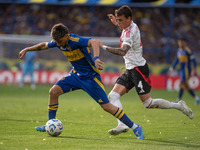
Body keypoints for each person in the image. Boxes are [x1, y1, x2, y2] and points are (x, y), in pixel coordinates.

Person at [19, 23, 144, 140]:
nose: (59, 45)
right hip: (75, 75)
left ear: (66, 36)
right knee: (53, 92)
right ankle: (49, 124)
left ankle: (135, 127)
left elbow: (94, 42)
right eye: (57, 42)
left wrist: (95, 58)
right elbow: (44, 45)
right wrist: (28, 49)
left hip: (90, 78)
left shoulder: (75, 40)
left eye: (61, 41)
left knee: (106, 106)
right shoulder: (58, 42)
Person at [99, 5, 193, 136]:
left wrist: (102, 46)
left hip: (139, 70)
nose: (118, 22)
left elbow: (122, 51)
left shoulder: (130, 32)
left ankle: (178, 106)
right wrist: (117, 24)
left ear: (129, 18)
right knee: (113, 96)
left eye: (120, 20)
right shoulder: (128, 27)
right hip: (130, 69)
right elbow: (124, 30)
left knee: (148, 103)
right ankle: (122, 124)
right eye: (117, 20)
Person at [169, 38, 200, 105]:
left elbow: (194, 61)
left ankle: (178, 100)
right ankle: (197, 98)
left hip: (186, 70)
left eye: (181, 42)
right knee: (186, 86)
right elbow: (176, 60)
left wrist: (194, 69)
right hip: (182, 70)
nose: (180, 43)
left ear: (184, 43)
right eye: (179, 42)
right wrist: (172, 68)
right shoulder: (179, 50)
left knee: (182, 83)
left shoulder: (188, 51)